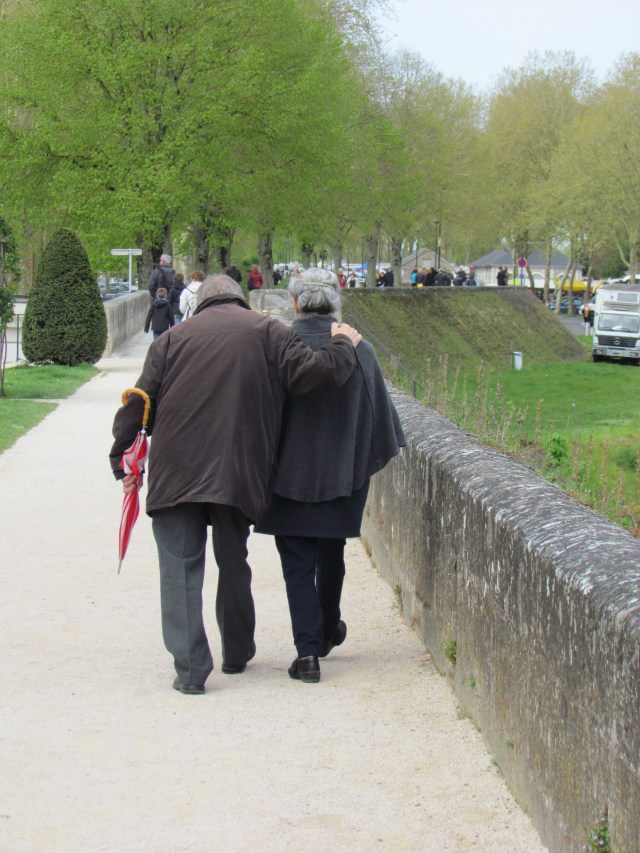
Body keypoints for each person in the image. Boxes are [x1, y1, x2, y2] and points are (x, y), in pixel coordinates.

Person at [110, 274, 362, 695]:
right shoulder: (267, 331)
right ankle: (236, 653)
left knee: (179, 568)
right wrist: (342, 343)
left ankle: (191, 671)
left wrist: (123, 460)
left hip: (176, 472)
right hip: (236, 470)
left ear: (200, 303)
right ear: (240, 300)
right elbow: (315, 374)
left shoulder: (171, 339)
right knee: (233, 561)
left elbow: (139, 401)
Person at [255, 268, 406, 683]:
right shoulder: (360, 349)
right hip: (342, 474)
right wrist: (357, 467)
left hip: (286, 475)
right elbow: (380, 420)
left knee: (297, 564)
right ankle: (325, 633)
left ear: (295, 304)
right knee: (332, 551)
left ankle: (307, 654)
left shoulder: (276, 349)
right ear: (337, 302)